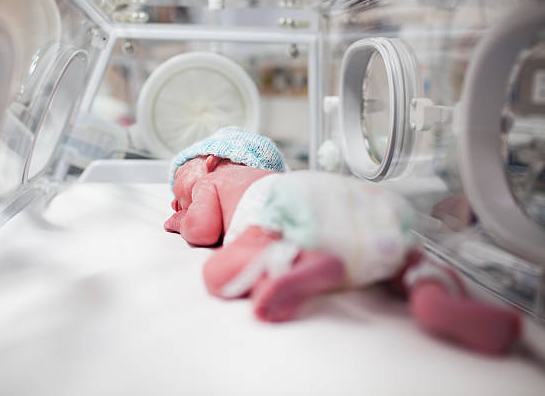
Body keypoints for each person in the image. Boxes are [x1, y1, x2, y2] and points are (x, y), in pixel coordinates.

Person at [164, 127, 521, 354]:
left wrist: (183, 217)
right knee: (404, 254)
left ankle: (295, 259)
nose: (175, 197)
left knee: (216, 273)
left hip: (281, 206)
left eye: (177, 180)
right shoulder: (291, 181)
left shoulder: (217, 181)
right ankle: (433, 296)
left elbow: (203, 229)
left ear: (209, 160)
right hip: (356, 200)